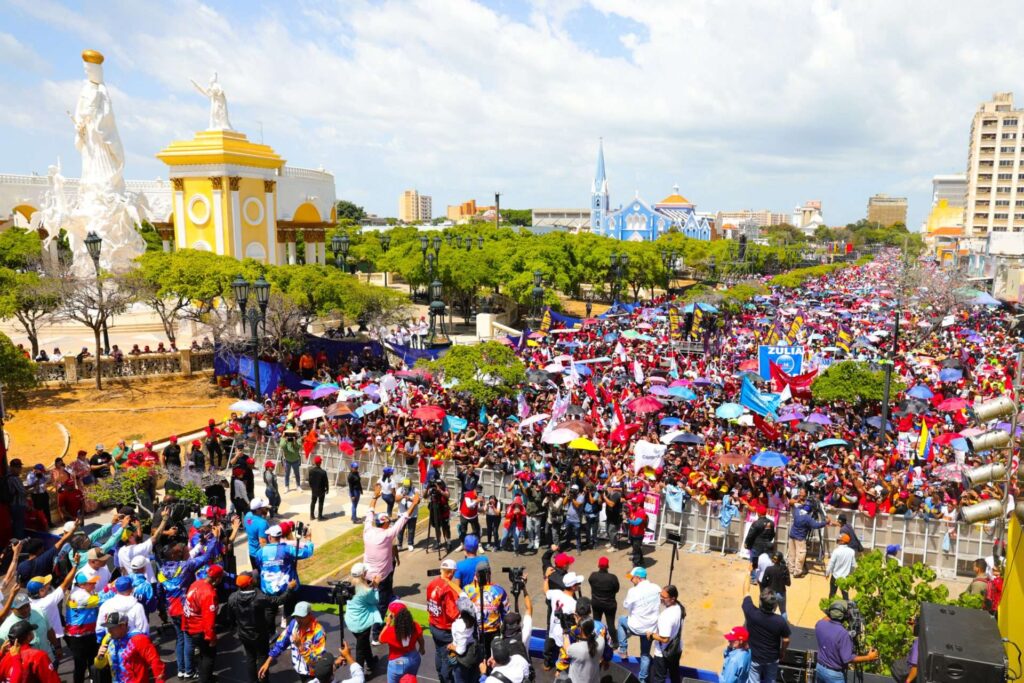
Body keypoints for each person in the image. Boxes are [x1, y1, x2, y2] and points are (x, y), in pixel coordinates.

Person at [364, 493, 421, 639]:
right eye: (388, 521)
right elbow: (404, 519)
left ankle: (389, 600)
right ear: (384, 523)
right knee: (381, 605)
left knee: (377, 599)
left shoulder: (367, 530)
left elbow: (370, 512)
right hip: (381, 578)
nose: (390, 523)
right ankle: (376, 634)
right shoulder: (387, 534)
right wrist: (414, 503)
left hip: (369, 576)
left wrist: (375, 497)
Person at [226, 572, 296, 683]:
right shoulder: (259, 597)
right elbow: (279, 600)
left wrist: (237, 626)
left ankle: (253, 680)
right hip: (259, 635)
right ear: (250, 583)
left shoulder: (232, 597)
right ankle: (263, 680)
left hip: (243, 634)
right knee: (262, 657)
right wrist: (289, 589)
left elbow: (230, 617)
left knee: (250, 658)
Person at [256, 522, 315, 625]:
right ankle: (288, 625)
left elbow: (258, 564)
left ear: (270, 537)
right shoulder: (287, 549)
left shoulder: (260, 552)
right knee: (290, 612)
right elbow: (307, 552)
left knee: (270, 614)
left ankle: (271, 631)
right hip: (288, 588)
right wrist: (308, 540)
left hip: (268, 590)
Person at [616, 566, 661, 683]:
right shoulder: (657, 588)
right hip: (650, 629)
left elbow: (626, 605)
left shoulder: (633, 591)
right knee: (645, 655)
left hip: (635, 627)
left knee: (621, 620)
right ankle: (642, 680)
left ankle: (623, 649)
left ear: (638, 578)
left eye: (632, 578)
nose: (631, 580)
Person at [813, 601, 878, 683]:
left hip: (820, 668)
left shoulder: (820, 624)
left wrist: (832, 611)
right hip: (834, 675)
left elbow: (825, 619)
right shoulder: (843, 634)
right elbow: (847, 659)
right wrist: (869, 657)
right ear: (845, 616)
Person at [261, 601, 327, 680]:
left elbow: (317, 661)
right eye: (296, 616)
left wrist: (300, 647)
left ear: (310, 614)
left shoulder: (318, 633)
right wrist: (268, 662)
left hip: (312, 674)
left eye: (301, 617)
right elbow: (281, 642)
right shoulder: (294, 624)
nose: (298, 619)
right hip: (299, 670)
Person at [93, 611, 165, 683]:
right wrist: (99, 657)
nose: (109, 631)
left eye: (112, 627)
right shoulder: (108, 639)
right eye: (108, 627)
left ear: (123, 626)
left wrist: (159, 681)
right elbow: (99, 666)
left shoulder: (139, 639)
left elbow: (155, 661)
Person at [183, 564, 225, 682]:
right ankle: (205, 680)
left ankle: (204, 677)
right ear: (217, 578)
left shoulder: (196, 583)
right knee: (209, 656)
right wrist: (211, 637)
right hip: (200, 629)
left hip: (190, 625)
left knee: (202, 654)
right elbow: (209, 619)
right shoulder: (209, 594)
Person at [740, 588, 791, 683]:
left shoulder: (751, 613)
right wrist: (782, 652)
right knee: (771, 680)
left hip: (755, 657)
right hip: (772, 658)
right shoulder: (780, 621)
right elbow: (786, 640)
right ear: (775, 606)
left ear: (760, 602)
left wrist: (748, 577)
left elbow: (746, 592)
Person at [462, 562, 510, 656]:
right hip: (493, 632)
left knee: (477, 658)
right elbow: (506, 612)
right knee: (494, 658)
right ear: (489, 574)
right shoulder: (499, 590)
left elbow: (462, 612)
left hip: (474, 632)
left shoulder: (467, 590)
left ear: (476, 574)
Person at [344, 563, 382, 675]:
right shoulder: (365, 590)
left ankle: (370, 662)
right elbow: (374, 600)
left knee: (364, 643)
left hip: (351, 621)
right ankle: (359, 674)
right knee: (360, 651)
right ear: (363, 574)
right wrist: (376, 586)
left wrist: (371, 586)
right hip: (361, 624)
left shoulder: (349, 585)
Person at [426, 558, 460, 683]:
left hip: (433, 625)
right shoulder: (449, 589)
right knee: (449, 657)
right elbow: (453, 614)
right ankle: (447, 679)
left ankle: (441, 675)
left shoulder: (432, 583)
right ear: (451, 573)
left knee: (439, 651)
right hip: (446, 631)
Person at [65, 572, 102, 683]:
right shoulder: (80, 596)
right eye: (91, 583)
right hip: (79, 637)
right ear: (81, 585)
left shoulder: (83, 591)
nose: (94, 584)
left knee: (92, 662)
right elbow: (101, 600)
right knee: (80, 666)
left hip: (87, 633)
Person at [542, 568, 581, 669]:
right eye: (578, 583)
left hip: (553, 628)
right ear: (573, 587)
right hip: (564, 633)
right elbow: (578, 620)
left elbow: (545, 591)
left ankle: (546, 664)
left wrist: (546, 577)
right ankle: (560, 670)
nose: (579, 585)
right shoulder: (574, 604)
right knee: (564, 652)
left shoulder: (556, 593)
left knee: (549, 643)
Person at [0, 593, 57, 663]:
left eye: (27, 606)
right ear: (12, 609)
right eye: (21, 608)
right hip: (29, 666)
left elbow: (49, 631)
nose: (25, 610)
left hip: (49, 658)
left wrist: (57, 647)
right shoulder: (5, 629)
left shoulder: (40, 612)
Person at [379, 601, 425, 683]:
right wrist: (422, 648)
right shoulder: (415, 625)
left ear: (394, 616)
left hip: (397, 662)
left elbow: (380, 639)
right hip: (414, 658)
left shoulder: (391, 631)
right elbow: (421, 639)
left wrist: (387, 624)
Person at [648, 585, 683, 683]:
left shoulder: (666, 616)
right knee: (674, 674)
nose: (661, 599)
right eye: (660, 595)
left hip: (662, 654)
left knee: (659, 678)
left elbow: (665, 639)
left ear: (673, 599)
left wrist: (651, 635)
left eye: (664, 597)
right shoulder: (680, 607)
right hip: (676, 649)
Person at [787, 506, 830, 577]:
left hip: (792, 537)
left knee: (792, 554)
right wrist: (825, 522)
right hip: (800, 539)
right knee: (800, 555)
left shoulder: (796, 511)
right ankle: (797, 572)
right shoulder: (807, 518)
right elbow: (816, 525)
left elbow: (798, 506)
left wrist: (803, 504)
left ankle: (791, 569)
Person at [588, 556, 621, 648]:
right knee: (610, 623)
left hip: (596, 603)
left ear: (598, 565)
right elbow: (617, 589)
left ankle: (595, 639)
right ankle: (615, 643)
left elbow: (591, 583)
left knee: (596, 621)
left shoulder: (593, 576)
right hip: (609, 604)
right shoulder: (612, 578)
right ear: (608, 566)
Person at [561, 617, 603, 683]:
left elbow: (566, 647)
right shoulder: (601, 641)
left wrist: (565, 634)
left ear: (580, 630)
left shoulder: (575, 648)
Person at [448, 597, 479, 683]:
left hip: (461, 659)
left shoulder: (458, 626)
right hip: (474, 655)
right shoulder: (474, 615)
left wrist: (451, 647)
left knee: (457, 675)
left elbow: (460, 650)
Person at [744, 505, 776, 585]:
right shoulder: (771, 523)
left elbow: (750, 535)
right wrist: (768, 541)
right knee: (767, 562)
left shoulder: (756, 523)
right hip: (767, 546)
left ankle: (753, 579)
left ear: (758, 513)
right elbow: (773, 534)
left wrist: (746, 543)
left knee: (754, 562)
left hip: (756, 546)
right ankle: (766, 578)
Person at [759, 551, 791, 620]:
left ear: (773, 559)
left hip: (771, 594)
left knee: (770, 612)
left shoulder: (769, 569)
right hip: (782, 593)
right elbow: (788, 583)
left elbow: (764, 582)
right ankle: (784, 625)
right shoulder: (784, 568)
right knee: (783, 611)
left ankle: (770, 625)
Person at [826, 534, 856, 600]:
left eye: (839, 540)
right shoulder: (851, 552)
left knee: (832, 594)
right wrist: (850, 574)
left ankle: (830, 605)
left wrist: (827, 573)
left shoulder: (836, 551)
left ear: (843, 542)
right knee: (845, 595)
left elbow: (831, 563)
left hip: (835, 576)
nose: (838, 540)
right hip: (845, 578)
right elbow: (854, 565)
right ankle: (846, 605)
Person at [243, 498, 271, 570]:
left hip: (252, 553)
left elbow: (250, 524)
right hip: (261, 556)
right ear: (258, 510)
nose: (266, 508)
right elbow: (263, 542)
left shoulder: (247, 516)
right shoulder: (262, 523)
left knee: (256, 574)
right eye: (264, 507)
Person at [395, 478, 420, 552]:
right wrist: (402, 495)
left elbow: (418, 501)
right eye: (405, 486)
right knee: (400, 530)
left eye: (408, 486)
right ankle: (399, 545)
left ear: (411, 485)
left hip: (412, 514)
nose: (406, 488)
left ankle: (410, 544)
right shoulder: (399, 490)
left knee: (411, 530)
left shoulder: (415, 490)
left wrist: (410, 499)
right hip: (401, 514)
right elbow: (396, 500)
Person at [6, 459, 28, 540]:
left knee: (16, 525)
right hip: (18, 505)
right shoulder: (14, 478)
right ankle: (20, 543)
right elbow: (23, 492)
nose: (20, 469)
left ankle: (18, 542)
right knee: (19, 526)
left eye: (20, 467)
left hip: (14, 505)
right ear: (12, 468)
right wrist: (32, 490)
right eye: (18, 467)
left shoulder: (8, 477)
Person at [309, 455, 330, 521]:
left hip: (314, 490)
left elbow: (310, 481)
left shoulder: (311, 471)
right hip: (321, 490)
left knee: (313, 502)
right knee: (321, 503)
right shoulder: (323, 472)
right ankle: (320, 516)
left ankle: (312, 516)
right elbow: (326, 482)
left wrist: (312, 488)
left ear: (315, 462)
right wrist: (327, 489)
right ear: (320, 463)